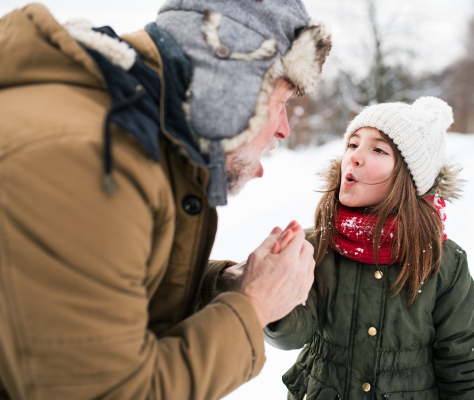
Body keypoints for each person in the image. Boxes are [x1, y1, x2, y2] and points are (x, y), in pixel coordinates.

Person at [0, 1, 331, 399]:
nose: (284, 130)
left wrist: (226, 285)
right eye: (281, 102)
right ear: (232, 78)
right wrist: (253, 305)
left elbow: (123, 295)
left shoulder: (134, 131)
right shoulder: (89, 157)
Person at [264, 98, 474, 400]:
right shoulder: (316, 246)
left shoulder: (444, 263)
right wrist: (273, 297)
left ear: (409, 177)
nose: (354, 157)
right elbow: (295, 331)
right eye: (353, 144)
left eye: (378, 149)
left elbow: (462, 367)